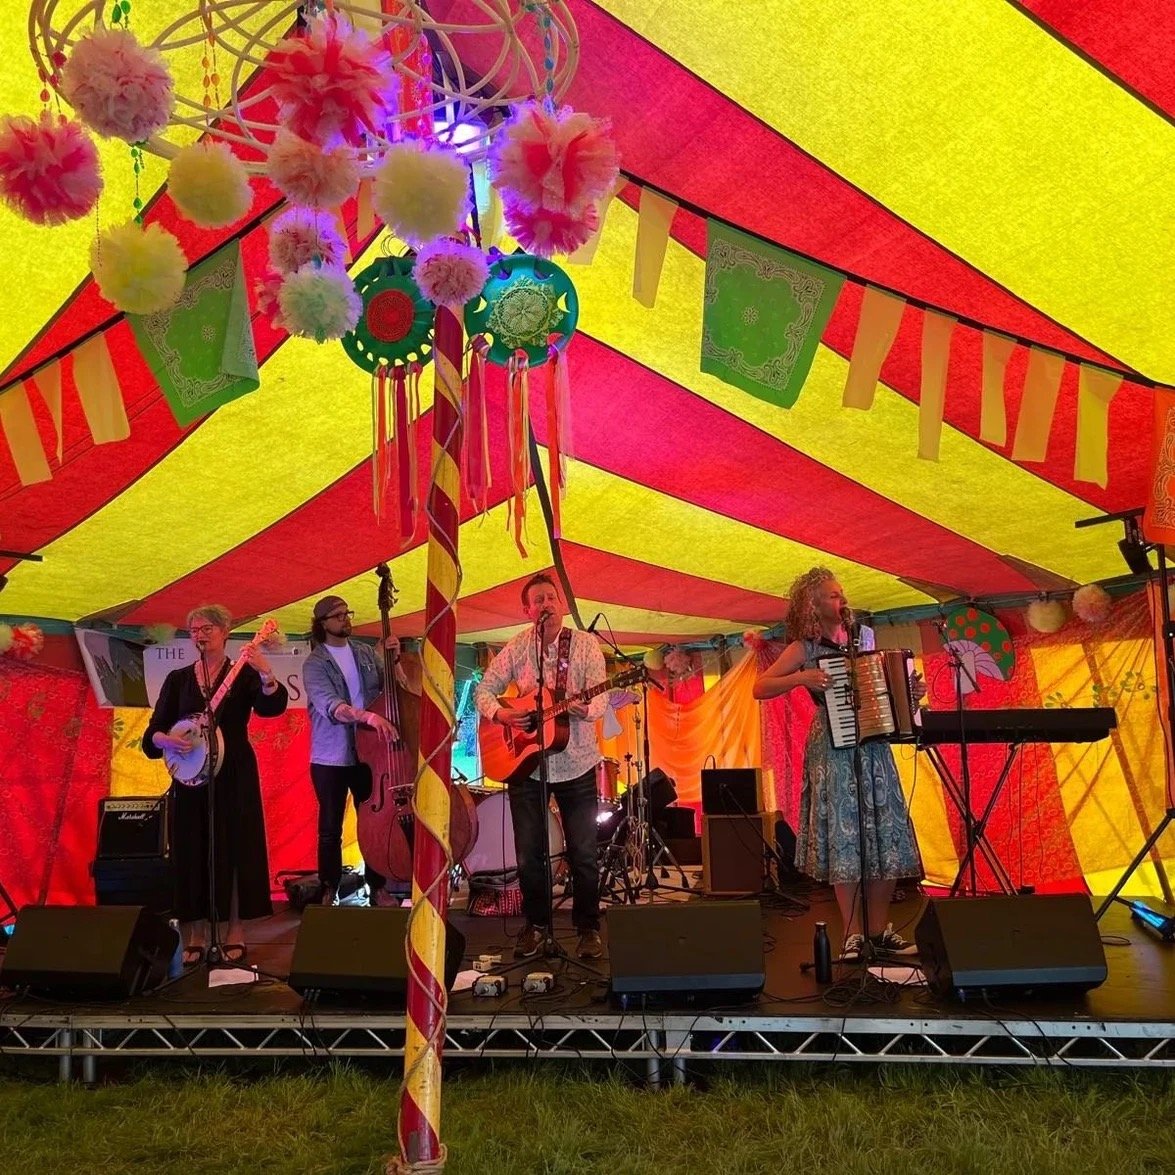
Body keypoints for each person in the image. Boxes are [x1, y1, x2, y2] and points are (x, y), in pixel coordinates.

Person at [753, 568, 923, 961]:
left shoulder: (865, 640)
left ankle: (878, 931)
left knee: (884, 835)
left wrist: (910, 692)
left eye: (842, 594)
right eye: (833, 595)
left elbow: (883, 693)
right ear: (812, 605)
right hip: (833, 747)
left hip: (873, 746)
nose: (842, 601)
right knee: (847, 836)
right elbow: (760, 687)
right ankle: (852, 934)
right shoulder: (804, 648)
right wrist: (801, 678)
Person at [142, 605, 288, 965]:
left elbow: (271, 708)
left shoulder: (243, 673)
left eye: (207, 628)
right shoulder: (178, 679)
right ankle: (194, 934)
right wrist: (167, 740)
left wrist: (266, 674)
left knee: (234, 849)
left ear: (225, 631)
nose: (200, 635)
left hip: (234, 771)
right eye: (194, 630)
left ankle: (234, 931)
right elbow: (154, 732)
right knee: (190, 851)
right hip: (191, 776)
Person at [474, 572, 607, 960]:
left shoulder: (585, 645)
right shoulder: (518, 646)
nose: (546, 604)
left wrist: (585, 709)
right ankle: (536, 926)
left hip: (577, 762)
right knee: (528, 853)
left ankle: (588, 929)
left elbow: (601, 696)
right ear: (527, 610)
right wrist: (501, 715)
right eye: (538, 600)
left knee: (583, 852)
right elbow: (484, 689)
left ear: (561, 604)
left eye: (551, 597)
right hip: (526, 767)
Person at [302, 594, 406, 907]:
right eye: (338, 616)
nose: (346, 619)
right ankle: (329, 889)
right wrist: (369, 717)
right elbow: (331, 706)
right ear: (322, 624)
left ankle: (378, 887)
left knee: (374, 823)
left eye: (347, 613)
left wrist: (394, 661)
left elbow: (394, 687)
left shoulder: (364, 652)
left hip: (369, 754)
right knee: (330, 827)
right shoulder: (315, 663)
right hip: (330, 756)